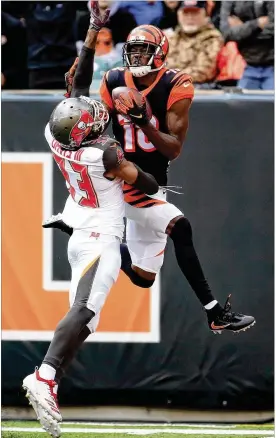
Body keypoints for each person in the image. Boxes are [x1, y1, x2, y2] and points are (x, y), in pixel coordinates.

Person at [50, 22, 256, 336]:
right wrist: (77, 94)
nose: (136, 55)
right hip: (121, 180)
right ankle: (215, 313)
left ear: (160, 53)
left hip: (153, 181)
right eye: (131, 49)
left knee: (144, 277)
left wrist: (144, 122)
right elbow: (98, 121)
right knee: (180, 227)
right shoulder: (114, 78)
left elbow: (173, 149)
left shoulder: (177, 83)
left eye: (143, 49)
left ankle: (73, 225)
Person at [22, 3, 159, 437]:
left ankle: (50, 377)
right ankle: (44, 377)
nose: (99, 115)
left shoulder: (56, 131)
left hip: (80, 228)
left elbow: (78, 89)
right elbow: (152, 184)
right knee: (85, 310)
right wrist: (136, 125)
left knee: (88, 317)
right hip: (100, 234)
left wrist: (93, 28)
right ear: (88, 131)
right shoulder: (105, 155)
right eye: (96, 119)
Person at [164, 0, 223, 84]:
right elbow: (163, 66)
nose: (190, 17)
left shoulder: (212, 38)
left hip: (201, 90)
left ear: (205, 15)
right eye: (186, 13)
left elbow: (203, 72)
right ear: (179, 15)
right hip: (171, 86)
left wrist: (171, 77)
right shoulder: (172, 38)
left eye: (195, 13)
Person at [220, 1, 274, 90]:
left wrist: (242, 29)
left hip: (272, 64)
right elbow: (226, 33)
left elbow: (273, 29)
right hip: (247, 65)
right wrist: (256, 24)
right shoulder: (229, 2)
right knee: (241, 102)